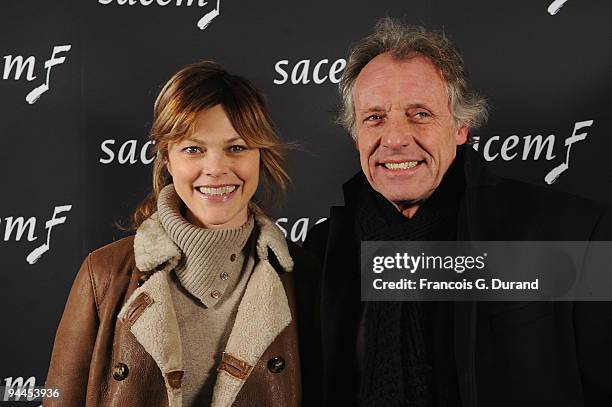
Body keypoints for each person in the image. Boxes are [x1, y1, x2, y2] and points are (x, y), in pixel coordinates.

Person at [304, 17, 612, 407]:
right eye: (375, 117)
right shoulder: (323, 251)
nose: (396, 138)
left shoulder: (570, 233)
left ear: (462, 126)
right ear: (355, 134)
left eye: (419, 114)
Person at [44, 60, 320, 407]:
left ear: (260, 157)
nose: (217, 169)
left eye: (236, 147)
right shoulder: (102, 275)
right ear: (166, 159)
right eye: (193, 149)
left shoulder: (306, 279)